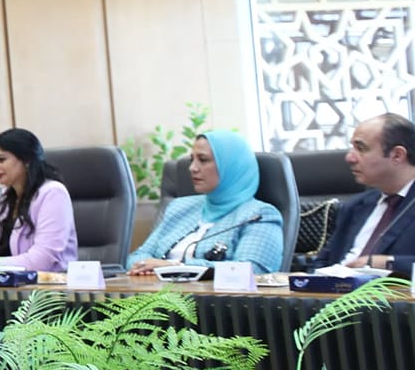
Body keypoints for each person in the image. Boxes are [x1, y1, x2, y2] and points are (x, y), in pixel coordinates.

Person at [128, 130, 286, 275]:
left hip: (217, 297)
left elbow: (252, 270)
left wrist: (174, 267)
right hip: (157, 294)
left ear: (231, 166)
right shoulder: (180, 207)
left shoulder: (259, 215)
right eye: (192, 160)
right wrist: (143, 267)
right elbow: (138, 256)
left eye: (203, 160)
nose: (192, 168)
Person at [303, 113, 415, 277]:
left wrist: (388, 263)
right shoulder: (355, 206)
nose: (349, 157)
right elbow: (322, 262)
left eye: (361, 148)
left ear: (397, 155)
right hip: (336, 291)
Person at [0, 128, 79, 273]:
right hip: (11, 285)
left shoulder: (53, 193)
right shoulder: (1, 198)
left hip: (48, 284)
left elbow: (43, 259)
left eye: (1, 160)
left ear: (26, 160)